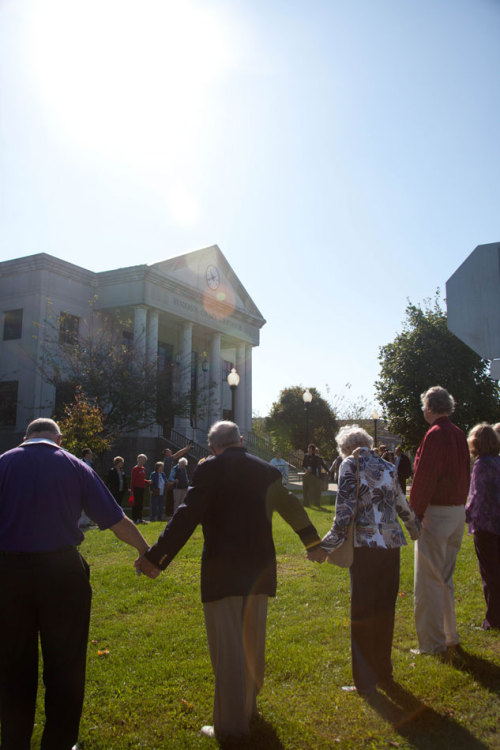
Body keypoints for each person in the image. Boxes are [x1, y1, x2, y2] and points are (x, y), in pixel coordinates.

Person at [135, 420, 321, 742]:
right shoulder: (266, 469)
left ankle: (232, 726)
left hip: (223, 571)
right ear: (241, 440)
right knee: (251, 644)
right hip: (259, 570)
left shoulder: (209, 470)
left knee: (228, 650)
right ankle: (248, 710)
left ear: (213, 447)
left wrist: (156, 558)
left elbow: (186, 516)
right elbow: (293, 508)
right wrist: (312, 543)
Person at [0, 418, 149, 750]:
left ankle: (13, 740)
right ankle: (60, 741)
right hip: (62, 571)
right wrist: (144, 550)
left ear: (26, 437)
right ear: (59, 438)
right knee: (65, 661)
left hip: (9, 572)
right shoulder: (74, 465)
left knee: (12, 662)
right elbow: (114, 518)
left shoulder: (4, 463)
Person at [308, 425, 420, 696]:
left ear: (345, 447)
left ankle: (364, 680)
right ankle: (384, 672)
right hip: (391, 546)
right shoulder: (387, 465)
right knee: (384, 611)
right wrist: (416, 529)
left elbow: (344, 514)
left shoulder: (350, 465)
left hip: (366, 547)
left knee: (362, 613)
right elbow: (400, 503)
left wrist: (324, 547)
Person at [409, 386, 470, 655]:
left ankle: (432, 644)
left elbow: (425, 477)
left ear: (431, 407)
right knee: (444, 578)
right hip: (457, 511)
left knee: (429, 582)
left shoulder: (435, 434)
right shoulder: (458, 433)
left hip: (437, 512)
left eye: (424, 405)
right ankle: (449, 636)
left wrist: (414, 514)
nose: (423, 410)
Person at [465, 422, 500, 631]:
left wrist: (466, 514)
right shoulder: (497, 462)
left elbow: (477, 495)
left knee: (490, 573)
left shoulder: (481, 464)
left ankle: (493, 619)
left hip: (486, 524)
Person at [162, 445, 191, 516]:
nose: (171, 451)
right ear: (166, 454)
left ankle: (169, 513)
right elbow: (177, 455)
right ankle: (169, 514)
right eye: (169, 451)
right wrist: (186, 449)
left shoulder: (169, 461)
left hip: (171, 482)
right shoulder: (168, 459)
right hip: (169, 482)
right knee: (170, 498)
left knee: (171, 498)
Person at [130, 453, 151, 524]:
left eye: (145, 460)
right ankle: (135, 519)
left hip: (142, 488)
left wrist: (147, 481)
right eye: (142, 460)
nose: (144, 461)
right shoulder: (135, 469)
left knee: (141, 504)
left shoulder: (143, 469)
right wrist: (132, 490)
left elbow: (142, 479)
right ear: (138, 460)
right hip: (136, 489)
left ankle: (140, 518)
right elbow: (133, 480)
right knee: (136, 504)